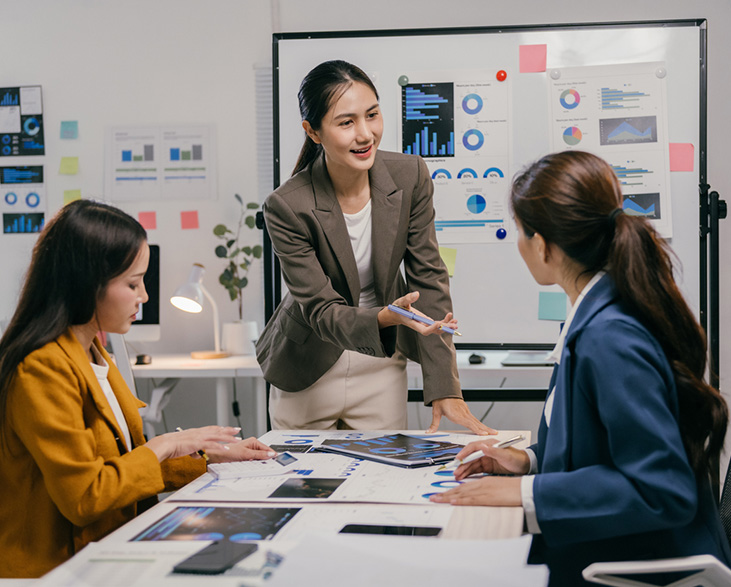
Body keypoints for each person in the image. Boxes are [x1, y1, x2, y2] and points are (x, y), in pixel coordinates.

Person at [430, 151, 731, 585]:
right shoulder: (599, 313)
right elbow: (602, 447)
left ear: (542, 245)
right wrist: (528, 462)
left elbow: (661, 489)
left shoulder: (610, 337)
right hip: (614, 550)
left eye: (519, 232)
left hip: (637, 567)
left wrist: (526, 492)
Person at [0, 200, 275, 578]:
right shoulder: (41, 368)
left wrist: (211, 458)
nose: (143, 296)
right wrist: (163, 444)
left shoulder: (96, 352)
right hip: (58, 568)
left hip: (110, 545)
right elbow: (86, 496)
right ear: (86, 283)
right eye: (132, 283)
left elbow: (123, 468)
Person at [256, 60, 492, 434]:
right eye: (346, 122)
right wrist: (384, 316)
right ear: (313, 132)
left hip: (382, 360)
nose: (365, 134)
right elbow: (320, 310)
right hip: (308, 365)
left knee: (385, 481)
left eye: (372, 115)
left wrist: (445, 387)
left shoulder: (409, 175)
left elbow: (428, 280)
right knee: (305, 487)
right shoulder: (286, 205)